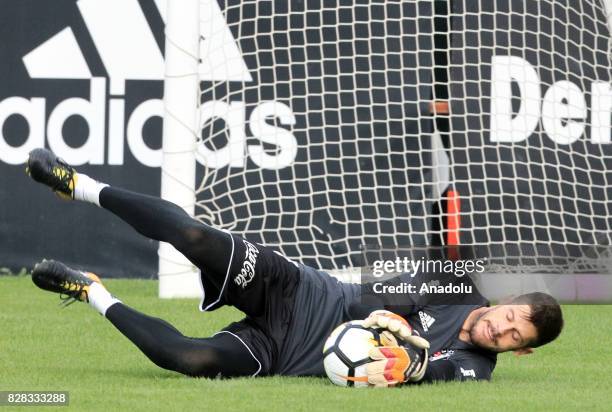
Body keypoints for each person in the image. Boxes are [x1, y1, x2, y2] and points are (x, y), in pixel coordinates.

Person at [26, 148, 564, 387]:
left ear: (522, 349)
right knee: (193, 235)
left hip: (284, 355)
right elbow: (373, 298)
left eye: (514, 334)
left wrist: (411, 364)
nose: (501, 327)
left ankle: (91, 290)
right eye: (509, 314)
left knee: (184, 359)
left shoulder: (477, 369)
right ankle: (80, 186)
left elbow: (434, 373)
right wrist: (394, 323)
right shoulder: (455, 284)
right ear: (502, 303)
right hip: (300, 293)